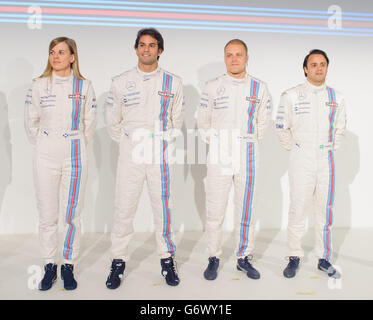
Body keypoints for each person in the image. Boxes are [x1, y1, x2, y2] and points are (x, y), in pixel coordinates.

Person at [105, 28, 184, 289]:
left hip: (158, 154)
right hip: (131, 154)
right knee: (124, 209)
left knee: (163, 210)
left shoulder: (173, 82)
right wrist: (130, 142)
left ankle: (166, 260)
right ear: (136, 48)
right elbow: (112, 122)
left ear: (160, 50)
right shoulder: (120, 81)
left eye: (152, 45)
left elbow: (177, 120)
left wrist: (161, 140)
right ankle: (118, 261)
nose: (146, 49)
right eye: (142, 45)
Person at [24, 37, 97, 290]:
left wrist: (73, 141)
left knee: (71, 214)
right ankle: (48, 265)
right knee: (47, 213)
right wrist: (47, 142)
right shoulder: (39, 85)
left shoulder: (84, 86)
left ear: (72, 57)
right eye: (52, 52)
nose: (55, 57)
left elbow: (90, 123)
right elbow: (30, 122)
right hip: (46, 151)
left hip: (75, 152)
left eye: (62, 52)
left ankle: (67, 264)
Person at [197, 39, 272, 281]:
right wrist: (219, 142)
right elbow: (202, 121)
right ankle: (213, 256)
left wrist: (247, 141)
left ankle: (243, 257)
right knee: (215, 208)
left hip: (247, 152)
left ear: (247, 57)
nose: (234, 59)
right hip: (220, 152)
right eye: (229, 55)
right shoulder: (212, 86)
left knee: (245, 209)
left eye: (239, 54)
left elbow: (263, 122)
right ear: (225, 58)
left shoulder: (259, 88)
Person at [275, 49, 346, 279]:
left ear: (327, 67)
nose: (318, 68)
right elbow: (281, 126)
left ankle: (323, 258)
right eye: (313, 64)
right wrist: (295, 148)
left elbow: (340, 128)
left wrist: (330, 148)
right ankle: (294, 256)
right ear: (305, 68)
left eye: (322, 64)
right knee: (298, 208)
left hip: (326, 159)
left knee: (325, 210)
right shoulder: (292, 95)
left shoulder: (337, 97)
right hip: (301, 158)